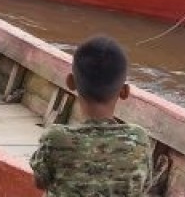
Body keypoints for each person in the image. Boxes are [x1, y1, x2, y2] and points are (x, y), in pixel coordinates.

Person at [30, 36, 152, 196]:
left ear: (71, 82)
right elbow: (145, 184)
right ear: (124, 92)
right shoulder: (139, 139)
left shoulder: (55, 138)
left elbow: (39, 181)